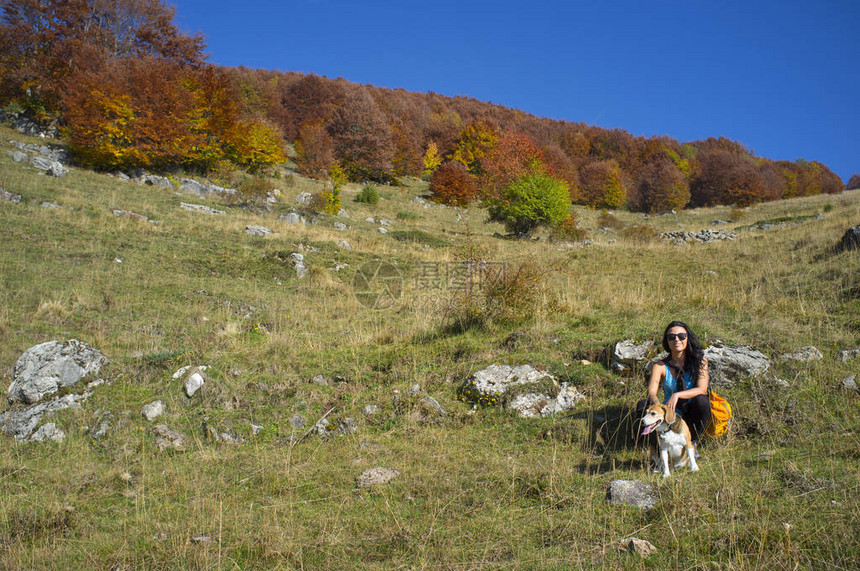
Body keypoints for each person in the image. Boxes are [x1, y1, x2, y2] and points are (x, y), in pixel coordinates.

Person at [640, 320, 711, 449]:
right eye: (671, 337)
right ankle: (652, 445)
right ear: (667, 341)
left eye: (681, 336)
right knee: (642, 405)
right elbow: (651, 391)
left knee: (703, 401)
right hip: (670, 415)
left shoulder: (700, 361)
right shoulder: (660, 366)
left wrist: (677, 395)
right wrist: (658, 407)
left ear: (687, 338)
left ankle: (691, 443)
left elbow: (702, 389)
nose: (677, 340)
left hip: (692, 412)